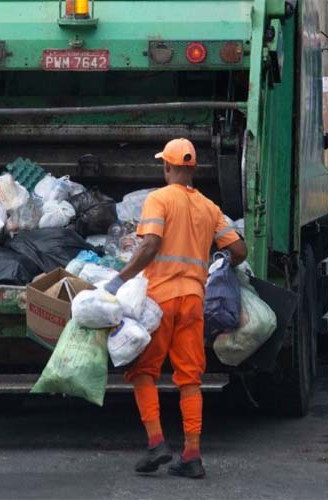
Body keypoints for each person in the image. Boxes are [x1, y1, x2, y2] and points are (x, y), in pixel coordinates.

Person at [104, 138, 247, 479]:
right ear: (192, 168)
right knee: (190, 377)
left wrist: (119, 280)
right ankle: (192, 454)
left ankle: (156, 443)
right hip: (195, 300)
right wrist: (218, 259)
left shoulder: (158, 198)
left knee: (143, 370)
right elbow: (239, 251)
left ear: (167, 167)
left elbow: (150, 244)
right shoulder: (209, 208)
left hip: (161, 300)